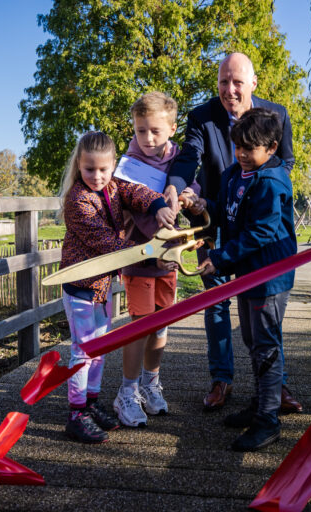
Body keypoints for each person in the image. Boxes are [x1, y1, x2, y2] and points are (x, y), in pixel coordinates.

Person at [164, 52, 302, 414]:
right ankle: (222, 379)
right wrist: (178, 188)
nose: (229, 90)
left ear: (253, 83)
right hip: (211, 216)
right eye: (224, 82)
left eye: (237, 82)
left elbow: (285, 162)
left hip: (256, 226)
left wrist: (250, 185)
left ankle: (274, 388)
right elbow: (188, 157)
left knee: (263, 314)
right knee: (217, 304)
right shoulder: (201, 117)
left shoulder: (277, 115)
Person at [58, 131, 175, 443]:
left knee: (102, 347)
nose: (97, 176)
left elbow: (137, 192)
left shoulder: (114, 187)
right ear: (78, 168)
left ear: (112, 168)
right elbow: (109, 245)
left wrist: (158, 206)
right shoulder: (78, 201)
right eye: (89, 169)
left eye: (103, 169)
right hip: (80, 285)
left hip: (102, 287)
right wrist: (153, 253)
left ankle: (91, 404)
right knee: (84, 350)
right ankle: (75, 412)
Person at [195, 107, 296, 451]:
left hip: (269, 277)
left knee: (266, 345)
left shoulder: (271, 181)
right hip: (247, 275)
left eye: (250, 149)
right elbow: (221, 211)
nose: (241, 154)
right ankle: (260, 404)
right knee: (253, 342)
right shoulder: (233, 175)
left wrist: (219, 260)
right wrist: (198, 209)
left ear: (271, 148)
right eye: (238, 146)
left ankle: (268, 420)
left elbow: (262, 233)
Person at [113, 92, 200, 427]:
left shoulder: (181, 158)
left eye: (155, 131)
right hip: (141, 255)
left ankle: (151, 383)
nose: (147, 139)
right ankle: (127, 392)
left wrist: (192, 197)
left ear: (172, 129)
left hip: (170, 258)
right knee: (140, 323)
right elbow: (135, 207)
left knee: (162, 322)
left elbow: (192, 186)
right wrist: (161, 238)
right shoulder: (127, 166)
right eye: (140, 131)